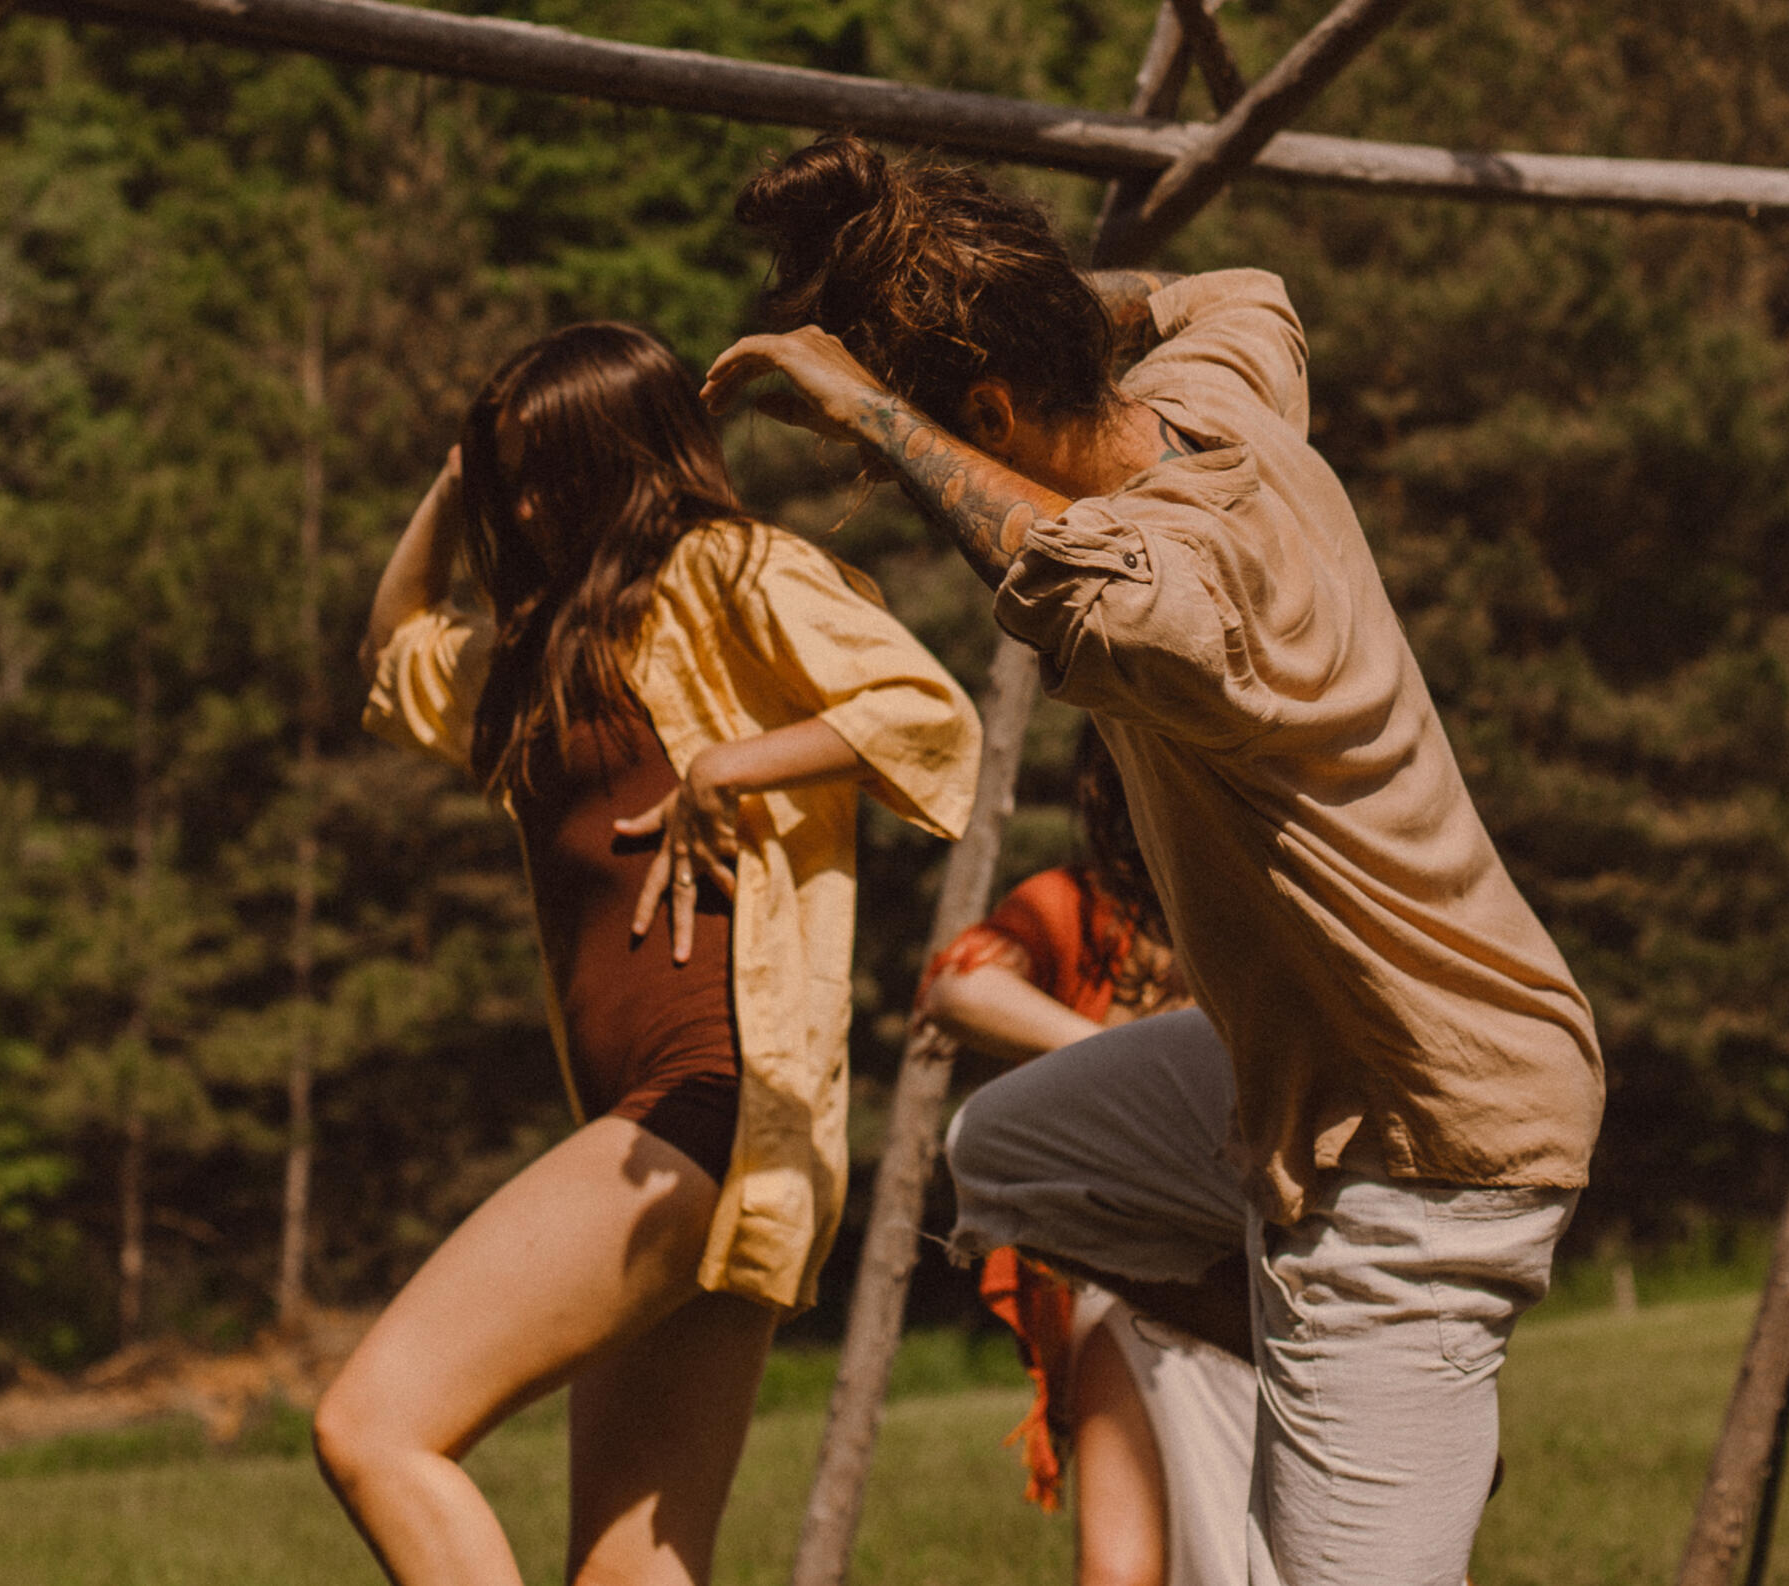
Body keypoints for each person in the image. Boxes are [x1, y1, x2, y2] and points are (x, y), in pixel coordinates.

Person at [703, 136, 1605, 1585]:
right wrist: (1017, 299)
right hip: (1334, 1053)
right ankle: (1344, 1371)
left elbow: (1067, 586)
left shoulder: (1195, 588)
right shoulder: (1212, 402)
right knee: (1011, 1151)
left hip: (1425, 1136)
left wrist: (874, 410)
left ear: (990, 413)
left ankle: (1385, 1369)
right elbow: (1240, 288)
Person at [313, 321, 981, 1586]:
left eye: (546, 470)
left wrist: (731, 764)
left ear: (623, 455)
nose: (523, 503)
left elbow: (927, 713)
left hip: (709, 1104)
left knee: (375, 1426)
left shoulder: (727, 569)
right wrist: (455, 479)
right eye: (508, 477)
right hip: (676, 1127)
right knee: (628, 1570)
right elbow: (395, 650)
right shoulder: (542, 658)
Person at [920, 723, 1255, 1586]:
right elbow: (959, 984)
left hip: (1281, 1267)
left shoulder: (1266, 906)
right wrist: (1120, 1063)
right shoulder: (1081, 907)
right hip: (1139, 1283)